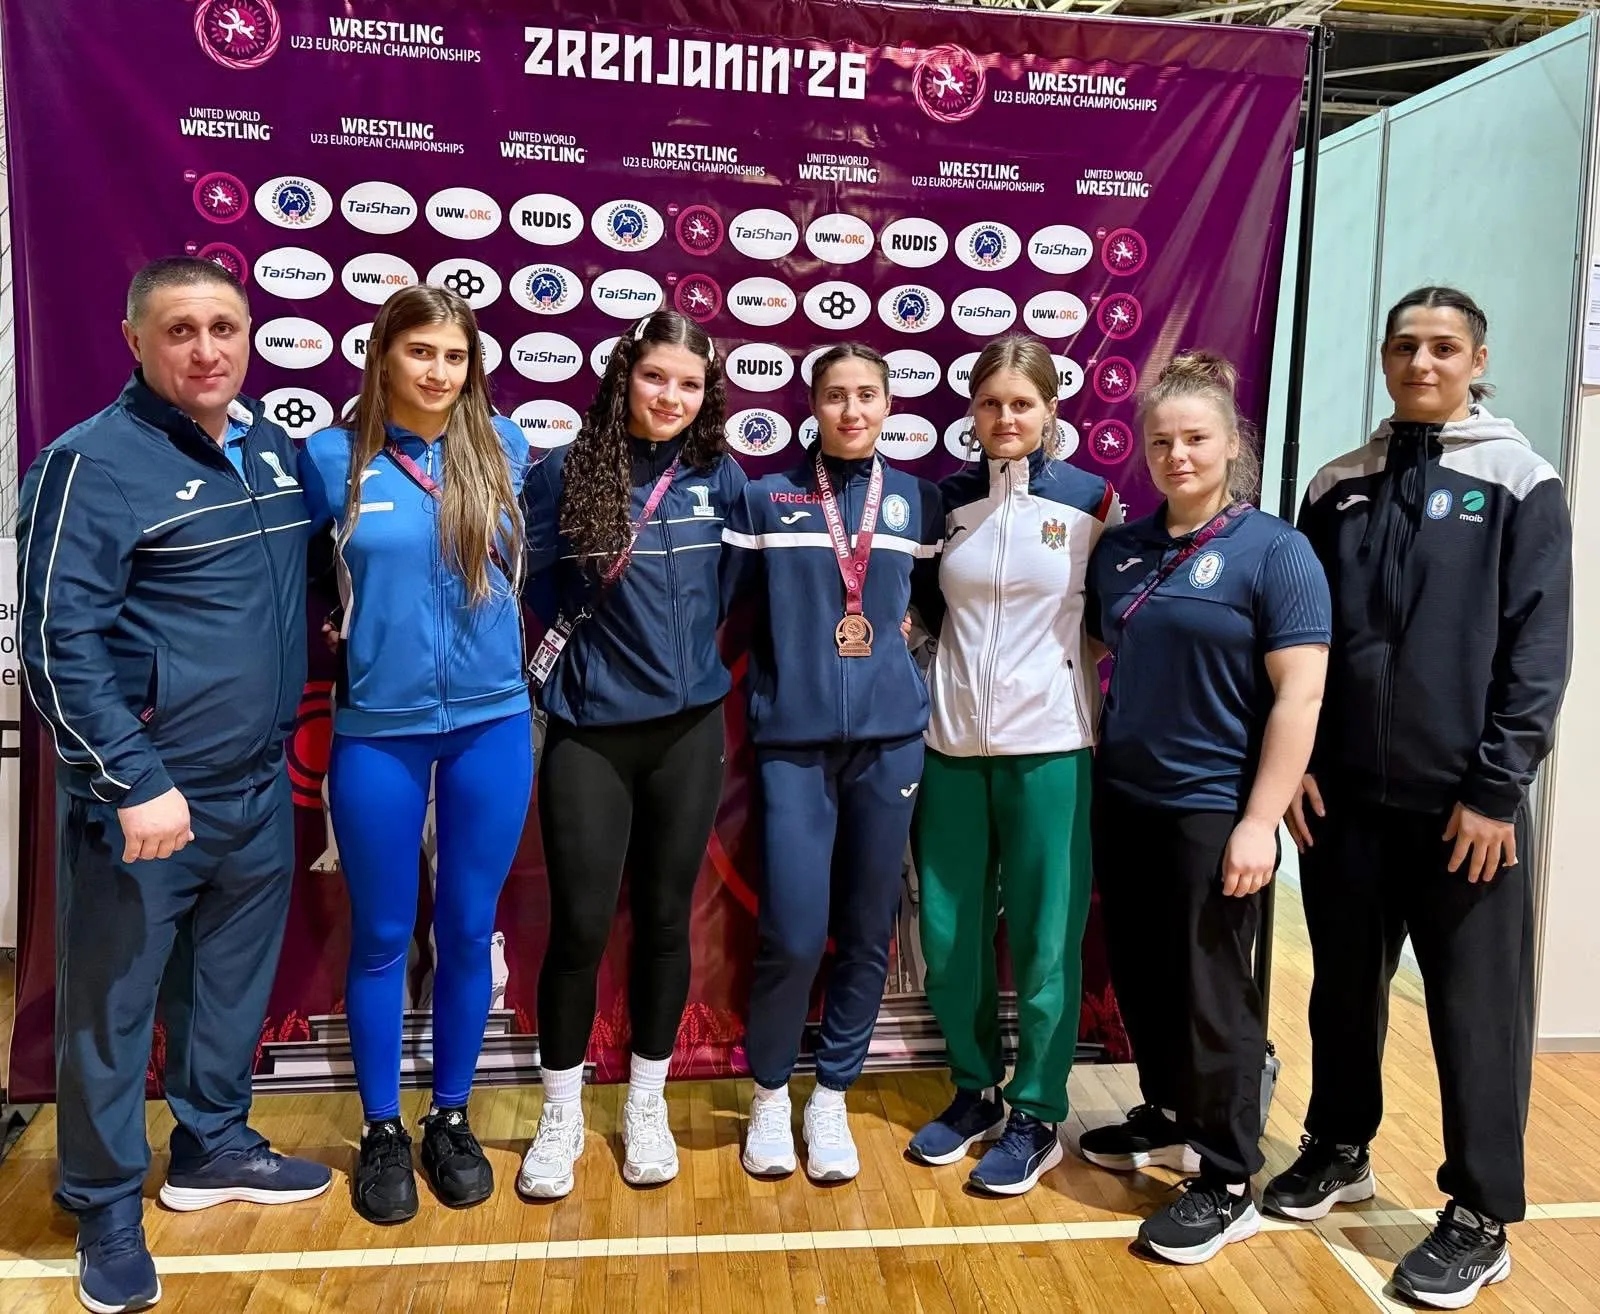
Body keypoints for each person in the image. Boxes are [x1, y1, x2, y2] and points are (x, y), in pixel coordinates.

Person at [16, 257, 331, 1312]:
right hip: (148, 800)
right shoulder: (89, 463)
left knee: (228, 990)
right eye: (180, 330)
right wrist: (132, 779)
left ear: (249, 335)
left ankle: (212, 1147)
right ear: (135, 341)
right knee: (112, 1010)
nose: (206, 350)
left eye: (223, 328)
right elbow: (57, 643)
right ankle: (104, 1205)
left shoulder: (272, 449)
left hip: (257, 787)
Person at [1265, 287, 1572, 1308]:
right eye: (1404, 346)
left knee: (1474, 1016)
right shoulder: (1336, 485)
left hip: (1465, 813)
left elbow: (1538, 650)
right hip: (1346, 802)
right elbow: (1299, 639)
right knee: (1341, 991)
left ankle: (1480, 1212)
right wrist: (1302, 760)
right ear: (1385, 357)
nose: (1422, 363)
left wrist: (1495, 790)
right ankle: (1338, 1144)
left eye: (1444, 347)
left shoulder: (1521, 480)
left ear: (1477, 360)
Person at [1079, 352, 1330, 1265]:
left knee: (1213, 989)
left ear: (1232, 445)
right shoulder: (1123, 550)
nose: (1177, 456)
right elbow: (1093, 652)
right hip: (1126, 797)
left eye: (1195, 439)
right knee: (1143, 974)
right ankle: (1169, 1109)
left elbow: (1300, 695)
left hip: (1214, 807)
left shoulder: (1277, 551)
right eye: (1162, 442)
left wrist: (1260, 821)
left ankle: (1226, 1175)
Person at [298, 285, 533, 1225]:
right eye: (420, 352)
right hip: (378, 729)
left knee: (468, 929)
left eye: (455, 355)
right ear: (383, 356)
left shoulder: (505, 447)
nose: (438, 372)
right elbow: (303, 583)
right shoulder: (331, 459)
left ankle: (451, 1117)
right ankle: (383, 1128)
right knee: (384, 934)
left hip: (492, 724)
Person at [514, 311, 743, 1198]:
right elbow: (537, 587)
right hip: (590, 734)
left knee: (664, 922)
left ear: (706, 394)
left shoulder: (719, 475)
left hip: (687, 734)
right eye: (655, 377)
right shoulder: (563, 473)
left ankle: (646, 1102)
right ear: (623, 378)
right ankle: (560, 1113)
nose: (670, 397)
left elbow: (732, 588)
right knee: (578, 926)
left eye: (688, 383)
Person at [906, 334, 1121, 1196]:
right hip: (952, 745)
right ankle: (975, 1090)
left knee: (1044, 938)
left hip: (1052, 749)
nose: (1005, 418)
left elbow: (1105, 621)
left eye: (1021, 404)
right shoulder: (946, 501)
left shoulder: (1091, 499)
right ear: (971, 409)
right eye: (990, 403)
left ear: (1050, 409)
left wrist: (1051, 680)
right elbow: (927, 612)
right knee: (949, 935)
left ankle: (1036, 1110)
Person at [722, 342, 942, 1183]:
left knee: (865, 931)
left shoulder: (916, 501)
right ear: (812, 406)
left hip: (890, 744)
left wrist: (899, 649)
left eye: (867, 396)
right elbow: (729, 608)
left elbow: (932, 606)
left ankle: (832, 1095)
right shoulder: (767, 497)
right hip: (794, 745)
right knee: (790, 931)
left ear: (888, 405)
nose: (853, 411)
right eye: (836, 396)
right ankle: (771, 1094)